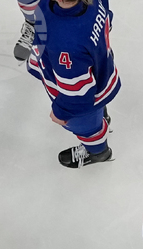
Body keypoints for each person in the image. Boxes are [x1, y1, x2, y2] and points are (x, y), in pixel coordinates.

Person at [25, 0, 119, 168]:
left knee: (86, 127)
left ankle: (98, 152)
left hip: (81, 101)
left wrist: (61, 112)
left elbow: (77, 91)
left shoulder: (66, 42)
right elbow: (106, 16)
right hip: (99, 72)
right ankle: (101, 116)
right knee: (94, 114)